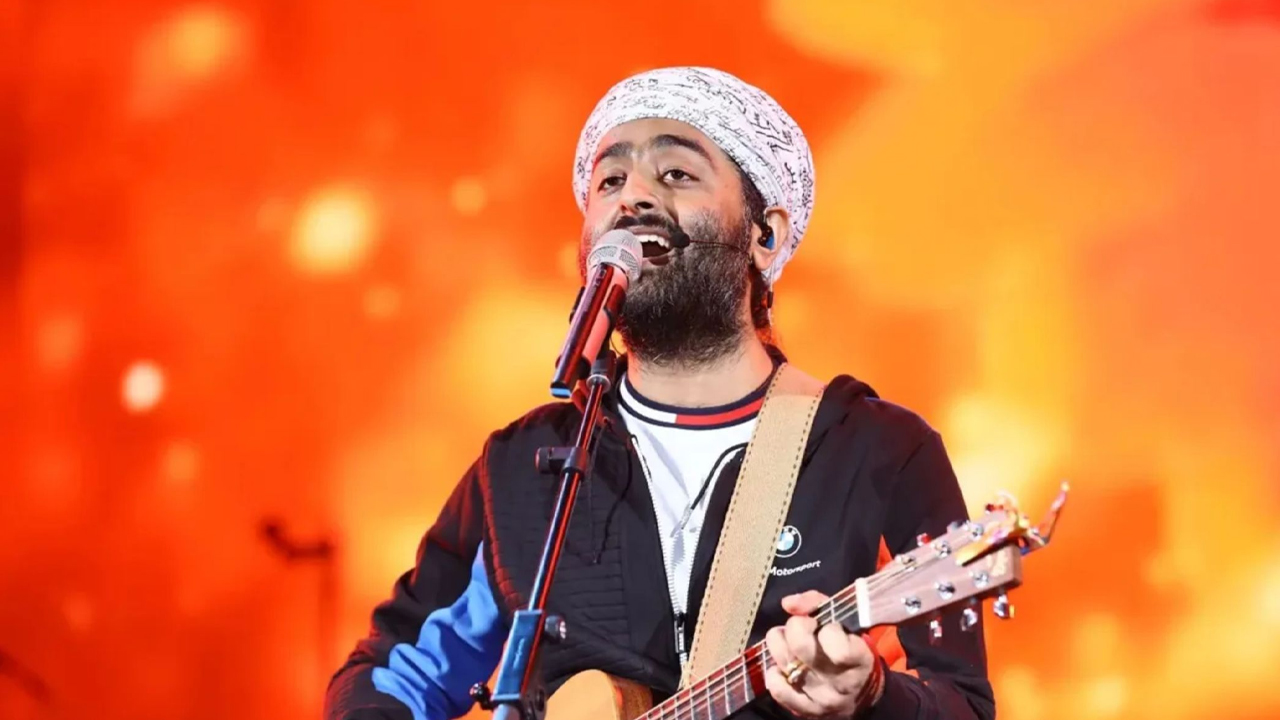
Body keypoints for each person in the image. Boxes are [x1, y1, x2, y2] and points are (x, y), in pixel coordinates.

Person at [325, 66, 993, 720]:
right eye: (610, 180)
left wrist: (872, 697)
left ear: (764, 235)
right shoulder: (522, 468)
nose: (633, 198)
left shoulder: (880, 454)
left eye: (676, 173)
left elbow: (960, 704)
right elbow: (391, 674)